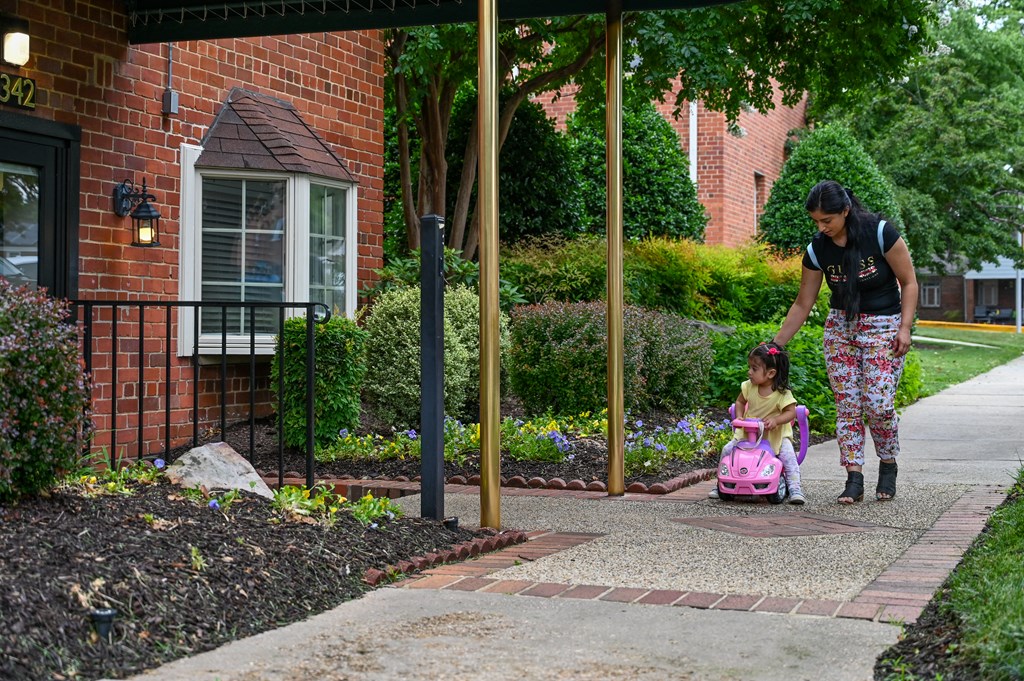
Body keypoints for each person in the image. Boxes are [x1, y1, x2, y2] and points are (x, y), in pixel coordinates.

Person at [771, 180, 918, 504]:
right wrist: (775, 345)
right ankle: (854, 476)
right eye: (816, 222)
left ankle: (888, 462)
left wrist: (905, 328)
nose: (821, 228)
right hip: (841, 329)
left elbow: (908, 282)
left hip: (884, 326)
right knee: (848, 406)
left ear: (845, 211)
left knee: (879, 405)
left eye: (827, 220)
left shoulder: (880, 233)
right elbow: (802, 303)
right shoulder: (817, 250)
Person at [709, 341, 805, 505]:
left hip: (775, 435)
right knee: (727, 450)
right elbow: (739, 402)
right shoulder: (748, 387)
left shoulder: (781, 393)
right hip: (748, 434)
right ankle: (721, 483)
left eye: (754, 369)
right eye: (750, 367)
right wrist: (739, 417)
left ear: (770, 373)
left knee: (789, 457)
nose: (749, 372)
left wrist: (776, 420)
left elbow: (791, 412)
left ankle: (795, 487)